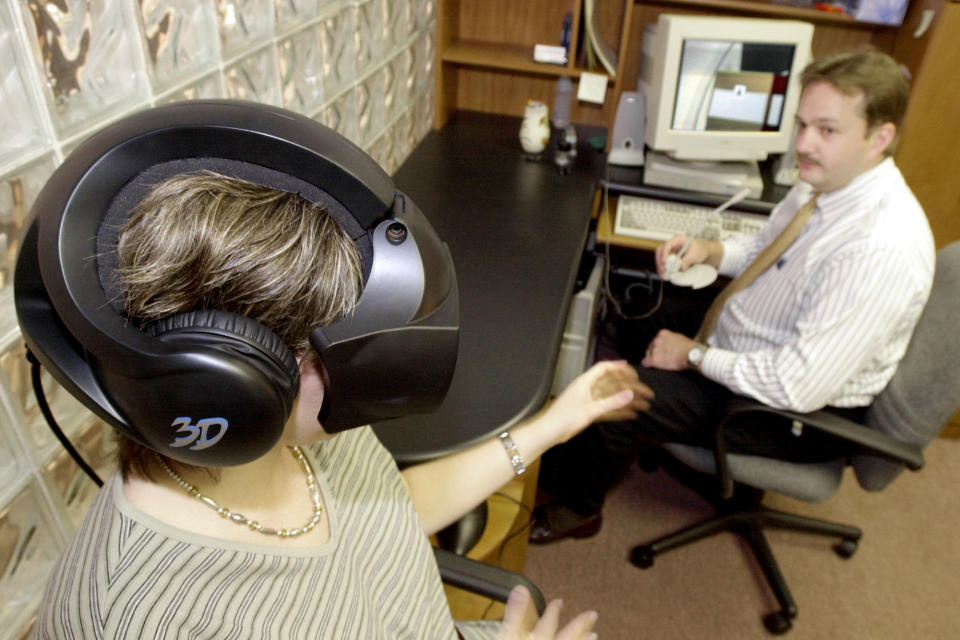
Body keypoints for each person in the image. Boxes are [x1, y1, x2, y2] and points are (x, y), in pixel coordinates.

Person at [33, 172, 653, 638]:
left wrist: (556, 423)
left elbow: (388, 517)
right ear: (224, 383)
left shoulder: (304, 427)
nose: (354, 370)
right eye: (321, 350)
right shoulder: (133, 616)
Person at [531, 47, 935, 544]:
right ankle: (605, 437)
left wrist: (695, 356)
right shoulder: (825, 180)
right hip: (758, 335)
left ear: (881, 138)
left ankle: (578, 506)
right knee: (632, 308)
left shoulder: (878, 249)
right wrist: (711, 251)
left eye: (827, 130)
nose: (803, 144)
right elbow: (769, 248)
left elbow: (797, 387)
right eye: (802, 124)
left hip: (791, 411)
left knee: (619, 396)